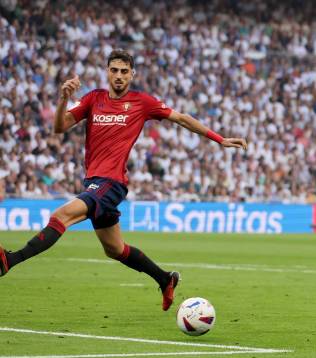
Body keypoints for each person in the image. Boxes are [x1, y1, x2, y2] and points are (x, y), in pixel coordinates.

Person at [0, 49, 247, 311]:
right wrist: (63, 99)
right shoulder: (93, 99)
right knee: (115, 249)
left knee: (61, 215)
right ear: (107, 71)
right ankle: (166, 279)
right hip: (93, 181)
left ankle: (9, 261)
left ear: (132, 74)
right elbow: (59, 127)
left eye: (124, 71)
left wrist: (220, 139)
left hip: (111, 182)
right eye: (114, 70)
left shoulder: (142, 102)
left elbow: (182, 119)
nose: (119, 76)